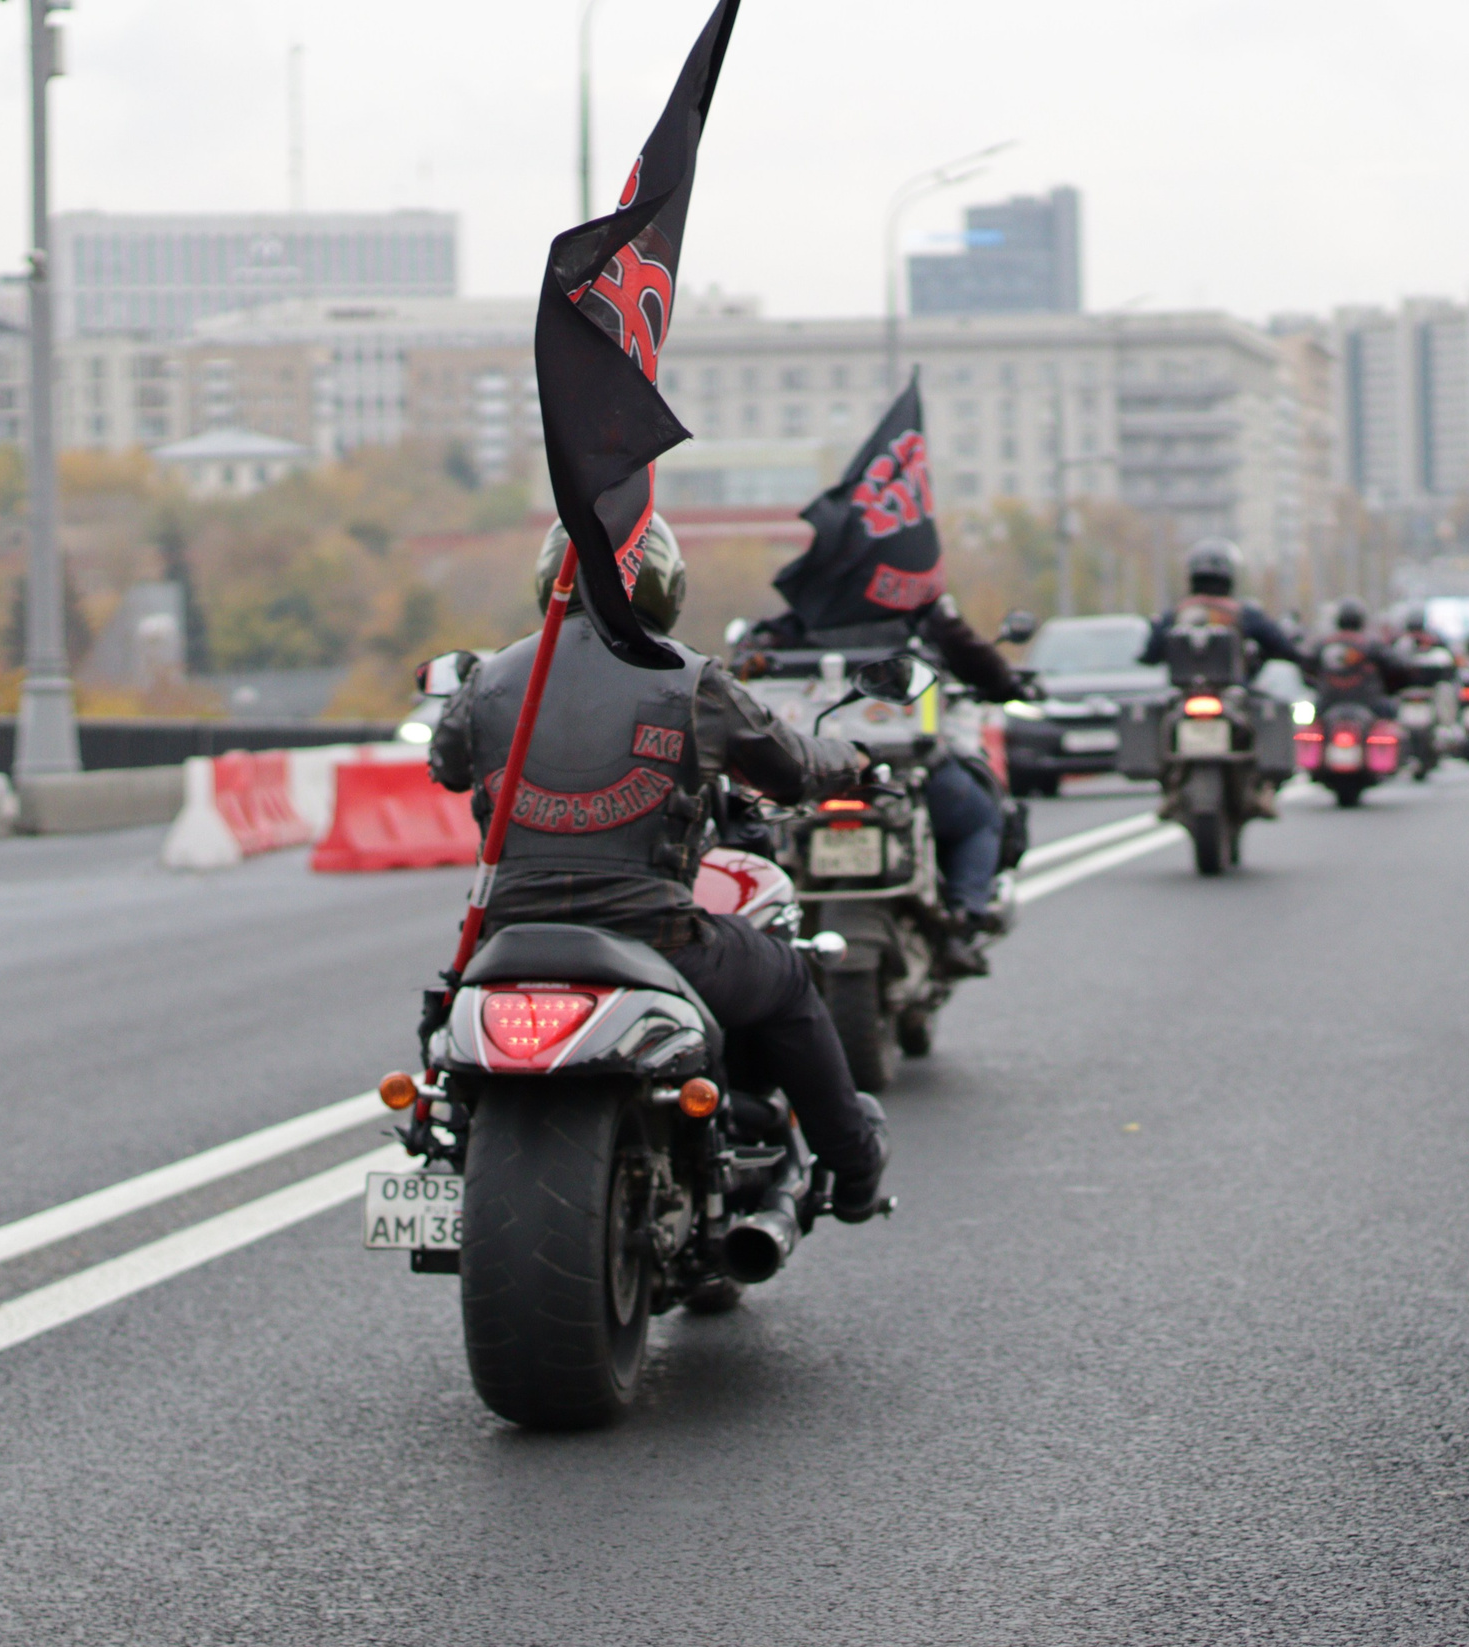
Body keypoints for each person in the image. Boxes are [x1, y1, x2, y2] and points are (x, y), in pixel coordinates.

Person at [428, 516, 891, 1219]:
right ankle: (853, 1166)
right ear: (664, 582)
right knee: (790, 975)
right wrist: (856, 764)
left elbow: (447, 763)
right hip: (655, 939)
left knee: (441, 1013)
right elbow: (793, 766)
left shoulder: (491, 677)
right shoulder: (687, 678)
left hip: (508, 942)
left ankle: (447, 1150)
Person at [735, 592, 1026, 959]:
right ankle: (963, 916)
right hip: (905, 767)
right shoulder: (921, 605)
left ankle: (757, 934)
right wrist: (1007, 684)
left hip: (815, 770)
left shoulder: (808, 607)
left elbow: (751, 657)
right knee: (978, 816)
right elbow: (972, 655)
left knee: (748, 823)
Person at [1140, 539, 1298, 677]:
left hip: (1184, 697)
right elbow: (1282, 648)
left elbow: (1150, 655)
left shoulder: (1175, 615)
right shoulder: (1245, 614)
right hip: (1235, 696)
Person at [1306, 599, 1416, 718]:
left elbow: (1307, 668)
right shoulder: (1372, 644)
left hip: (1326, 704)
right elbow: (1395, 667)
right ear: (1361, 620)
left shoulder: (1323, 644)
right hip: (1370, 704)